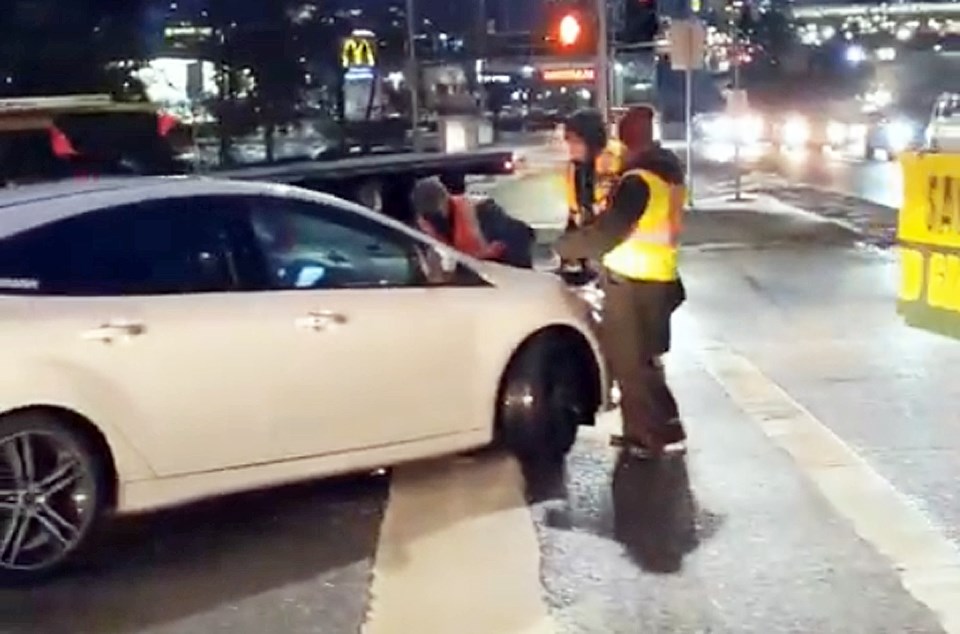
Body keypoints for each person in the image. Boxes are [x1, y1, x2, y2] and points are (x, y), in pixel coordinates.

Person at [553, 105, 687, 459]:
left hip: (636, 280)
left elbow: (611, 231)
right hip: (654, 276)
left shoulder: (638, 180)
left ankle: (651, 436)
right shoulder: (661, 172)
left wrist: (567, 247)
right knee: (640, 361)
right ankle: (659, 429)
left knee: (630, 363)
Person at [562, 108, 625, 281]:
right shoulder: (577, 166)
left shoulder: (614, 163)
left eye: (575, 142)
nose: (570, 148)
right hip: (595, 253)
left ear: (591, 141)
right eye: (568, 141)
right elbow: (576, 210)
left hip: (621, 258)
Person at [411, 176, 506, 261]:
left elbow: (505, 247)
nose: (433, 219)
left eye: (436, 212)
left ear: (446, 198)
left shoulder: (481, 209)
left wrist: (486, 253)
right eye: (427, 215)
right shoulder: (421, 228)